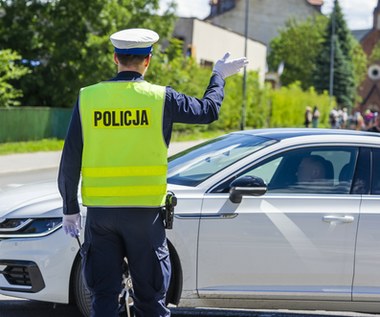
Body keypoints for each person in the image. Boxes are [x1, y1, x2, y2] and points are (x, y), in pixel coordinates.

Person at [58, 28, 248, 317]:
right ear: (148, 60)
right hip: (145, 217)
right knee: (150, 301)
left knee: (103, 299)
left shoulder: (88, 98)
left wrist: (69, 208)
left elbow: (70, 158)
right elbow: (208, 111)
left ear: (115, 58)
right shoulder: (161, 98)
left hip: (100, 216)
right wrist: (218, 75)